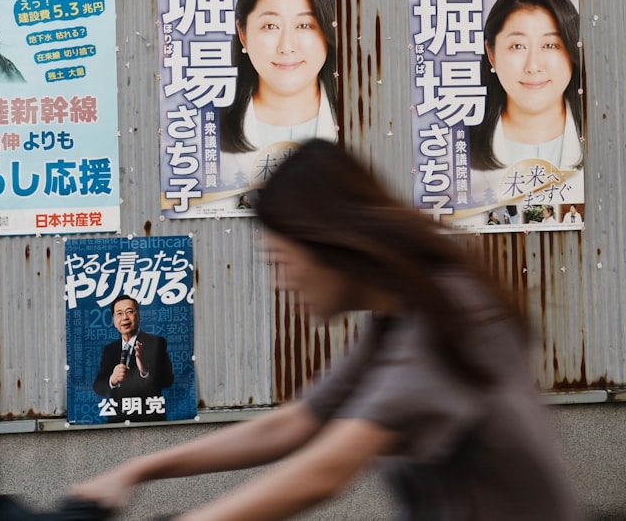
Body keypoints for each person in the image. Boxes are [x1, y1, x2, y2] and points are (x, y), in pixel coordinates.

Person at [71, 139, 583, 520]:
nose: (281, 280)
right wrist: (134, 471)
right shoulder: (398, 321)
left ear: (326, 244)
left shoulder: (446, 316)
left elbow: (326, 469)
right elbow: (293, 424)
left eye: (282, 259)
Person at [213, 0, 339, 203]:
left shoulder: (366, 124)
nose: (287, 46)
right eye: (270, 26)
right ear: (243, 34)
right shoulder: (206, 133)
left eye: (305, 25)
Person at [468, 0, 584, 211]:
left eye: (550, 45)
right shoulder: (456, 151)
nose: (533, 66)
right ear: (491, 54)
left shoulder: (607, 138)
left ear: (573, 49)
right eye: (518, 46)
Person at [92, 294, 174, 423]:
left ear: (139, 316)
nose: (124, 317)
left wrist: (145, 370)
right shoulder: (110, 350)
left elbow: (168, 381)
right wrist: (112, 380)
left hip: (150, 420)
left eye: (129, 312)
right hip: (118, 421)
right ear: (113, 320)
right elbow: (98, 388)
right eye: (119, 313)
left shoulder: (156, 343)